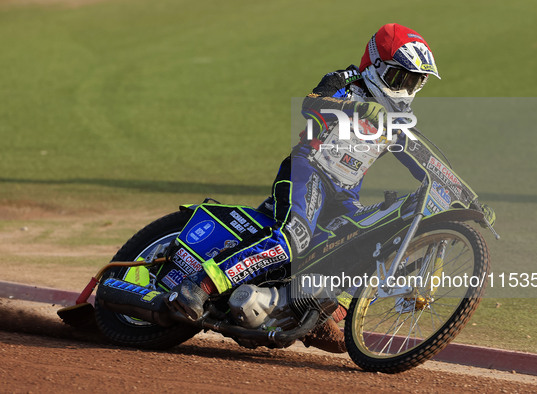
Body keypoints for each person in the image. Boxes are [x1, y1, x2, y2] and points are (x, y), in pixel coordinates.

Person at [169, 23, 440, 353]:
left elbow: (422, 160)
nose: (407, 88)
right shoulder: (346, 79)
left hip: (345, 196)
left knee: (366, 242)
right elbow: (311, 104)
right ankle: (201, 285)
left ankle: (311, 311)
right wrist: (355, 108)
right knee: (294, 236)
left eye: (415, 81)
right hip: (307, 170)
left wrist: (462, 194)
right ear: (378, 65)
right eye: (402, 77)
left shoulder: (401, 117)